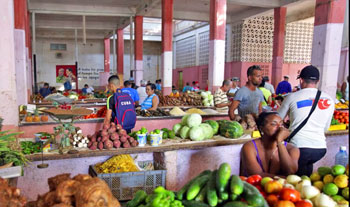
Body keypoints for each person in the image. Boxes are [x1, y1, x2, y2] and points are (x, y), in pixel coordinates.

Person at [278, 65, 335, 176]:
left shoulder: (291, 97)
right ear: (317, 81)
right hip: (320, 148)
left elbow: (277, 119)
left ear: (301, 80)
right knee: (305, 175)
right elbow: (326, 128)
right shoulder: (329, 99)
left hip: (298, 147)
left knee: (293, 178)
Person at [240, 112, 300, 177]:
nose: (280, 128)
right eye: (274, 124)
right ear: (261, 128)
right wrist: (283, 178)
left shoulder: (292, 149)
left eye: (281, 124)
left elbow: (290, 172)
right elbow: (256, 176)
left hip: (282, 187)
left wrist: (280, 142)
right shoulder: (249, 147)